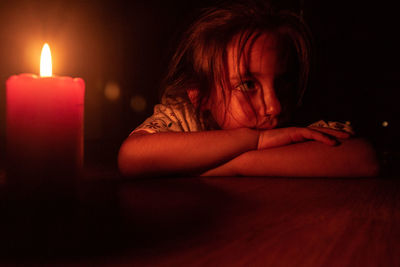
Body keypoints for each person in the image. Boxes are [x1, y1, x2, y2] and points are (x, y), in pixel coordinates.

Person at [118, 0, 379, 177]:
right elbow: (132, 158)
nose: (275, 105)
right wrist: (255, 140)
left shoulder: (297, 116)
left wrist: (230, 164)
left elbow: (363, 159)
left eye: (283, 81)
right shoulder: (183, 116)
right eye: (248, 84)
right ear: (200, 95)